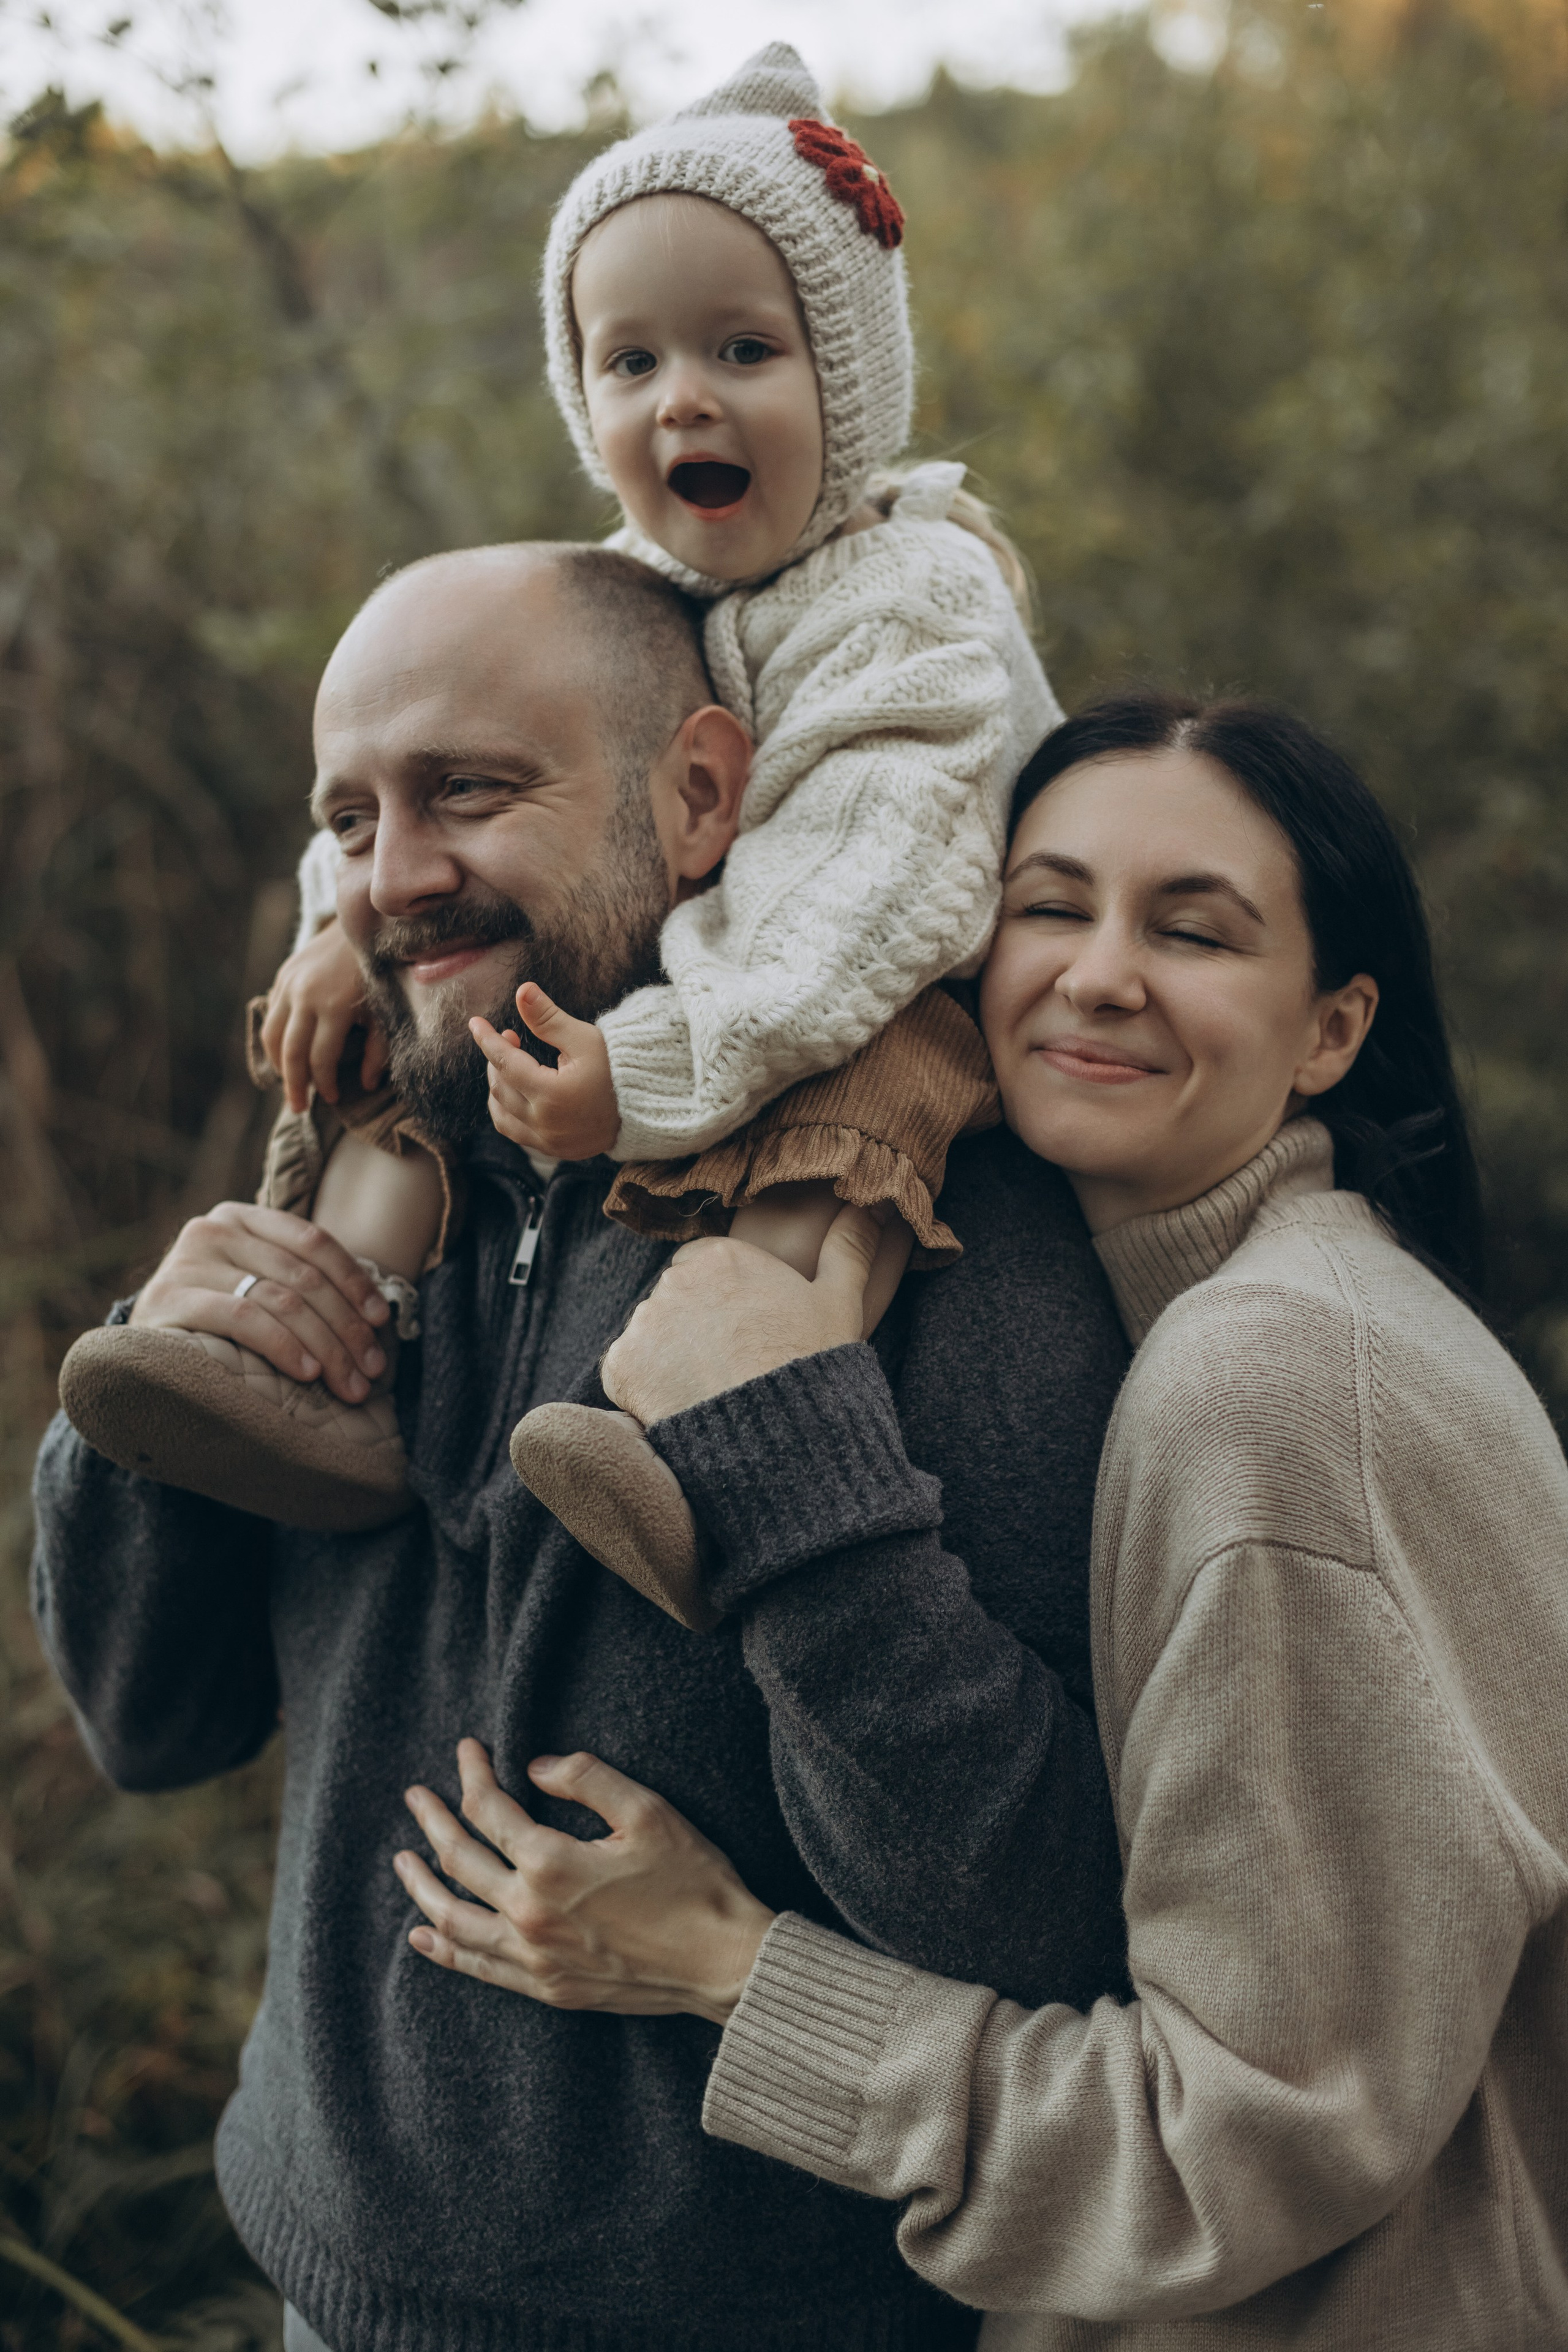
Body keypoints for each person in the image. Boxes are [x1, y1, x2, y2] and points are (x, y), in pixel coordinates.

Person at [34, 543, 1133, 2352]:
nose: (395, 877)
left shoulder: (937, 1246)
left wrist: (794, 1472)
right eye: (352, 816)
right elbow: (148, 1724)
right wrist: (157, 1394)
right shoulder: (387, 1172)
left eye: (469, 792)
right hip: (328, 2291)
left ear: (703, 794)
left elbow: (1040, 1917)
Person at [390, 695, 1568, 2350]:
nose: (1099, 974)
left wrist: (731, 1967)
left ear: (1331, 1030)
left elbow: (1227, 2149)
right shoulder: (1238, 1330)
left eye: (1195, 930)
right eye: (1052, 905)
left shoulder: (1278, 1386)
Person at [67, 40, 1060, 1624]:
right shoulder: (632, 593)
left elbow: (867, 888)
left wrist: (655, 1064)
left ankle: (717, 1414)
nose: (684, 401)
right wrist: (341, 930)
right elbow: (444, 768)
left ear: (849, 373)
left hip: (889, 974)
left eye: (744, 348)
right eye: (629, 363)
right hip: (712, 995)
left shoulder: (913, 602)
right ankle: (335, 1346)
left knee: (859, 1105)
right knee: (418, 1029)